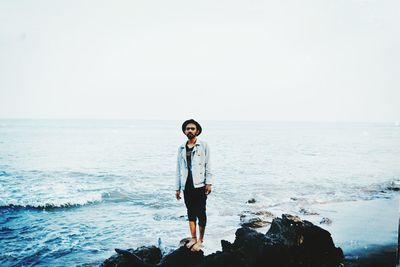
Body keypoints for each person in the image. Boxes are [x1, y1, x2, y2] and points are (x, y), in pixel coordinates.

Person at [175, 119, 212, 252]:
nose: (189, 130)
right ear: (184, 131)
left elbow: (208, 165)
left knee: (201, 212)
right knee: (190, 212)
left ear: (197, 131)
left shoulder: (203, 146)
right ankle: (193, 238)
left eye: (192, 128)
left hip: (200, 185)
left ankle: (200, 240)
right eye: (187, 128)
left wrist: (209, 183)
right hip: (187, 186)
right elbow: (178, 169)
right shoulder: (181, 148)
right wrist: (177, 188)